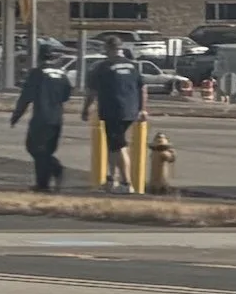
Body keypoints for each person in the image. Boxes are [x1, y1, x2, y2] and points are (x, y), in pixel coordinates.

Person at [80, 37, 146, 192]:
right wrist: (142, 109)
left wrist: (86, 109)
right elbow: (142, 88)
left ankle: (126, 183)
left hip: (113, 110)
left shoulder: (103, 67)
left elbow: (92, 92)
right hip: (131, 110)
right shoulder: (133, 66)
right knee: (112, 146)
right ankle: (111, 179)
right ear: (121, 48)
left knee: (119, 146)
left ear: (107, 48)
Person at [9, 44, 72, 193]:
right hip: (57, 117)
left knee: (34, 148)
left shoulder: (37, 73)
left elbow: (26, 96)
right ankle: (43, 184)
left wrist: (17, 115)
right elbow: (66, 95)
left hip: (41, 116)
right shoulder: (62, 74)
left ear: (39, 56)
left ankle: (55, 169)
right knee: (45, 150)